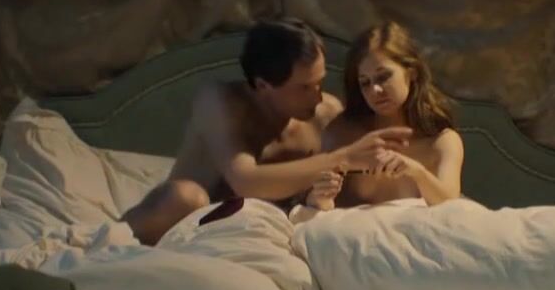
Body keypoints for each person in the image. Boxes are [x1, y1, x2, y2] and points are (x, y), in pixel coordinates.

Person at [121, 18, 413, 244]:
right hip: (189, 224)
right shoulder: (221, 102)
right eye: (303, 88)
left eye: (320, 83)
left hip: (260, 239)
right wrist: (343, 157)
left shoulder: (326, 114)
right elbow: (246, 182)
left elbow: (349, 197)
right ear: (262, 85)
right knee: (184, 196)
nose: (317, 96)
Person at [306, 21, 464, 211]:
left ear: (412, 73)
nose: (375, 90)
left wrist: (416, 171)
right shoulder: (342, 135)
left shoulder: (442, 142)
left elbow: (451, 208)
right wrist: (320, 197)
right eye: (365, 83)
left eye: (383, 77)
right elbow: (321, 209)